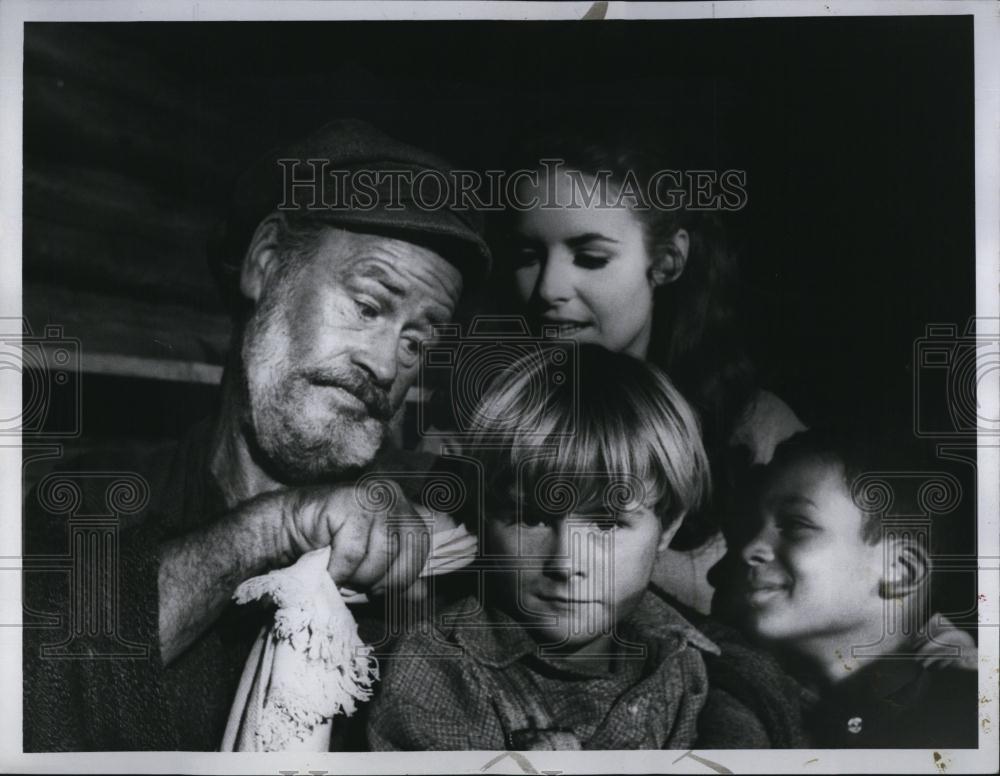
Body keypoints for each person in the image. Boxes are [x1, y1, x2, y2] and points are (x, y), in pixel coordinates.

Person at [22, 119, 491, 751]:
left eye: (416, 341)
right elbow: (29, 692)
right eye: (369, 305)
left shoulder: (438, 550)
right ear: (266, 265)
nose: (386, 365)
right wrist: (277, 528)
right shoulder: (88, 500)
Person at [366, 345, 803, 750]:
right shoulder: (436, 671)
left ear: (666, 528)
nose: (565, 561)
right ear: (483, 515)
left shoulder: (684, 656)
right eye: (533, 518)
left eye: (606, 523)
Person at [452, 124, 805, 614]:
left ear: (667, 259)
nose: (549, 287)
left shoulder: (755, 431)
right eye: (528, 256)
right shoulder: (478, 426)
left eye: (590, 257)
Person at [725, 427, 978, 748]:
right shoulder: (739, 694)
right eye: (752, 526)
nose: (750, 548)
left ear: (900, 571)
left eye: (795, 525)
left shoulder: (965, 719)